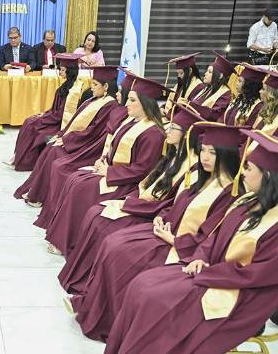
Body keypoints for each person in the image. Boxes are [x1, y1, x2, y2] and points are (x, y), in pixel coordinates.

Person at [101, 130, 278, 354]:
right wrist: (201, 257)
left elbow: (265, 275)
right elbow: (214, 236)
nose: (243, 173)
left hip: (244, 298)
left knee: (158, 299)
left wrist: (208, 273)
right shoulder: (250, 200)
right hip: (214, 272)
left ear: (269, 176)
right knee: (144, 284)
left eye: (249, 168)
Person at [71, 123, 243, 341]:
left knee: (121, 255)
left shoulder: (231, 193)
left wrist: (173, 239)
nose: (205, 157)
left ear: (227, 156)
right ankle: (92, 307)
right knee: (113, 243)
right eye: (204, 151)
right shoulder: (205, 180)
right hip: (167, 234)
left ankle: (111, 323)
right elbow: (177, 206)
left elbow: (213, 237)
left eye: (213, 153)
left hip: (182, 250)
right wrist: (164, 217)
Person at [56, 101, 204, 297]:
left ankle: (89, 285)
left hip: (149, 211)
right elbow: (150, 181)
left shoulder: (191, 168)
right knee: (92, 207)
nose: (167, 130)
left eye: (174, 128)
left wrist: (131, 202)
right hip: (144, 202)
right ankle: (80, 269)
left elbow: (169, 200)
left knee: (101, 220)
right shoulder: (174, 154)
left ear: (187, 136)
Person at [42, 75, 167, 256]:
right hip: (114, 172)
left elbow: (143, 170)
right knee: (74, 180)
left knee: (81, 188)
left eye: (132, 100)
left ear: (146, 103)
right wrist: (104, 159)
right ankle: (62, 236)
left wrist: (109, 171)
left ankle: (69, 242)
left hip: (128, 183)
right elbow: (115, 147)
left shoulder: (153, 134)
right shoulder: (132, 121)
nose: (127, 104)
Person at [14, 67, 125, 207]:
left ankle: (39, 195)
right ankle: (35, 191)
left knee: (55, 152)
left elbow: (94, 132)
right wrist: (62, 135)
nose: (92, 87)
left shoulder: (110, 106)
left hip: (88, 147)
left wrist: (67, 140)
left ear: (106, 86)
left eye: (95, 84)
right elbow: (76, 121)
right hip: (80, 140)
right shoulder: (94, 99)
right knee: (51, 146)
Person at [6, 58, 83, 171]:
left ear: (69, 71)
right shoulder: (67, 85)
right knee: (29, 121)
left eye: (62, 70)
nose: (60, 72)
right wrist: (44, 114)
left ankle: (25, 162)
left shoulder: (73, 91)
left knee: (32, 126)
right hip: (53, 117)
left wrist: (44, 118)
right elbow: (55, 109)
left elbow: (62, 115)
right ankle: (18, 157)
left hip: (58, 123)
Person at [193, 52, 233, 119]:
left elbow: (214, 115)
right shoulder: (207, 88)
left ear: (220, 76)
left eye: (210, 72)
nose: (205, 74)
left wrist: (193, 107)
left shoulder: (225, 94)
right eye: (207, 71)